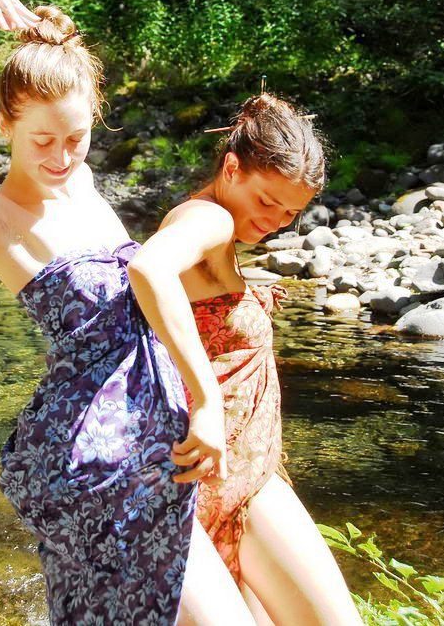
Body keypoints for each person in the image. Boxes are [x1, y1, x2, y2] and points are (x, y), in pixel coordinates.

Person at [0, 0, 256, 625]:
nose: (61, 156)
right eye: (42, 140)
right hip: (98, 460)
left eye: (75, 138)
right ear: (3, 124)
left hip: (152, 439)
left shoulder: (84, 184)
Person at [128, 94, 364, 626]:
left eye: (290, 213)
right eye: (266, 201)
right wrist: (207, 401)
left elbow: (198, 306)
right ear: (231, 168)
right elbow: (149, 268)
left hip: (225, 476)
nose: (275, 221)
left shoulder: (217, 227)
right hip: (229, 478)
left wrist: (248, 302)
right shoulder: (210, 218)